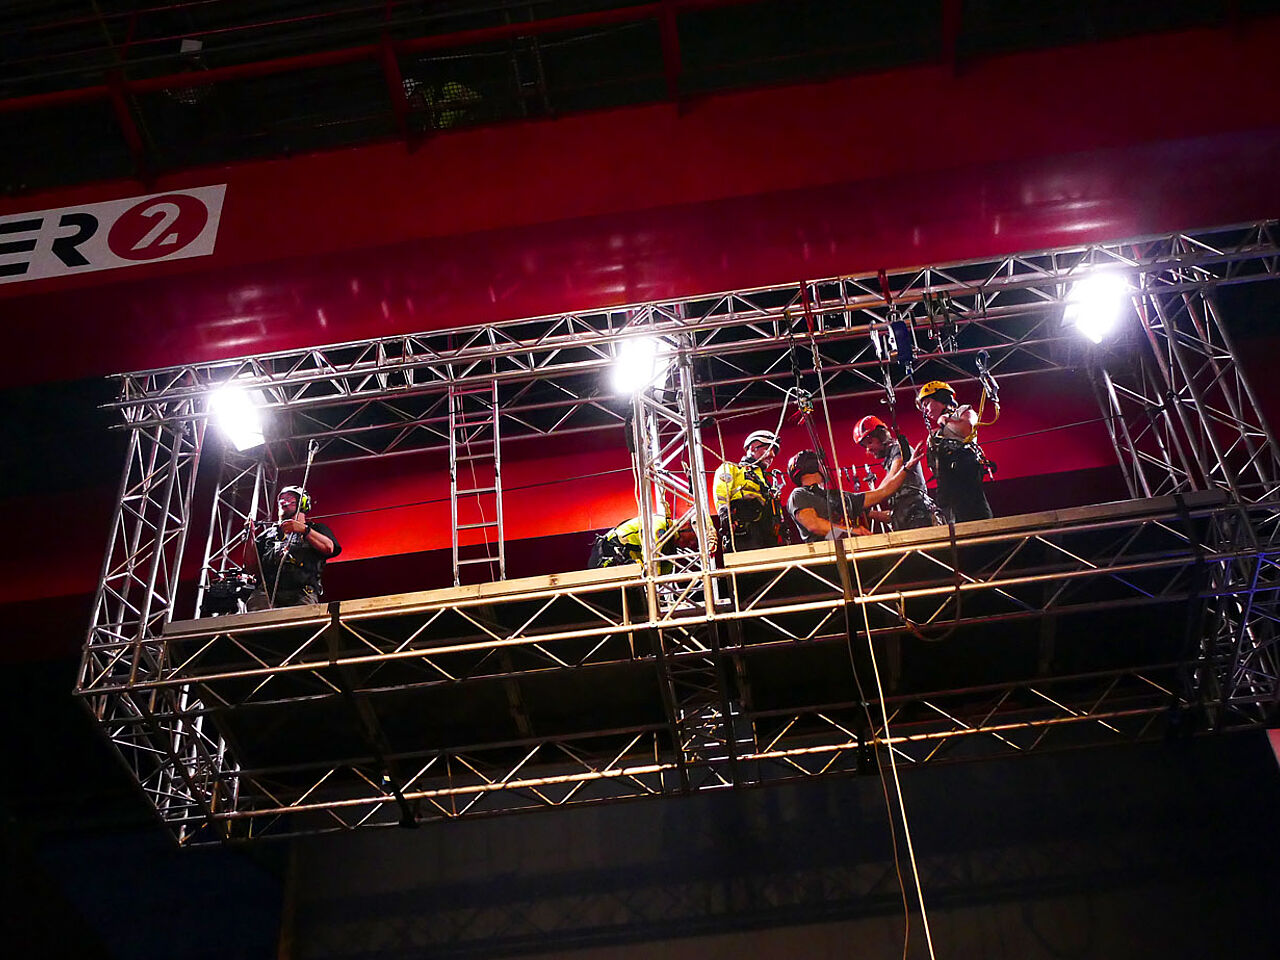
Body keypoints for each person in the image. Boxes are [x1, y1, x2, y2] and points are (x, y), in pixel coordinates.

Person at [786, 448, 917, 543]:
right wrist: (852, 531)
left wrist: (906, 468)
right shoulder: (799, 495)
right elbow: (814, 525)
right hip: (826, 558)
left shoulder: (837, 496)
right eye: (821, 463)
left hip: (852, 552)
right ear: (813, 465)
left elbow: (882, 493)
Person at [245, 485, 341, 609]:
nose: (284, 501)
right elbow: (251, 567)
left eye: (290, 498)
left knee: (300, 626)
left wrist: (304, 530)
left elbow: (329, 548)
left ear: (303, 502)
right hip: (266, 593)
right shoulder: (266, 535)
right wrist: (250, 536)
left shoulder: (316, 529)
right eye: (281, 499)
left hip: (302, 593)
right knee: (256, 620)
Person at [916, 380, 995, 523]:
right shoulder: (935, 434)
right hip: (946, 486)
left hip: (965, 474)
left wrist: (945, 420)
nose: (926, 410)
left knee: (973, 513)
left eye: (927, 403)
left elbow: (967, 430)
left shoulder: (963, 411)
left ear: (940, 397)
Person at [853, 415, 938, 531]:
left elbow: (890, 482)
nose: (868, 449)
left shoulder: (900, 451)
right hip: (907, 518)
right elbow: (894, 515)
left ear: (882, 436)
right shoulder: (890, 459)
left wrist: (861, 500)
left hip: (918, 517)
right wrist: (867, 512)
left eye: (870, 442)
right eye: (865, 446)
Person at [713, 429, 786, 552]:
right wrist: (725, 515)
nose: (773, 455)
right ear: (753, 448)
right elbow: (721, 494)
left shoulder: (766, 480)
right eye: (769, 449)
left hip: (768, 538)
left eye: (774, 451)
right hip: (744, 537)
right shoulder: (732, 468)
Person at [588, 515, 699, 574]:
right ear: (685, 525)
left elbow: (664, 572)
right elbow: (651, 555)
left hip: (626, 555)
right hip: (608, 552)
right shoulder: (659, 526)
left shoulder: (670, 547)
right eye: (694, 538)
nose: (692, 544)